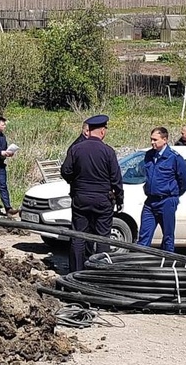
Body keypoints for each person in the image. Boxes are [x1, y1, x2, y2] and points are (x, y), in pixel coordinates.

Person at [60, 114, 124, 272]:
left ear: (89, 130)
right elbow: (116, 178)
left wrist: (75, 183)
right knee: (102, 237)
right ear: (102, 131)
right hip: (103, 200)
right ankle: (99, 273)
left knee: (78, 236)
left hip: (81, 198)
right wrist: (120, 199)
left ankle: (76, 273)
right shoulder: (108, 151)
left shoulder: (76, 148)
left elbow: (65, 171)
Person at [136, 127, 186, 253]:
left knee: (168, 237)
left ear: (164, 140)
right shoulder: (149, 155)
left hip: (167, 201)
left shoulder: (174, 158)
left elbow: (185, 181)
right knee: (143, 236)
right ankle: (139, 266)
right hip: (150, 201)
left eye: (155, 139)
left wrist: (173, 194)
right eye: (151, 139)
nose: (152, 142)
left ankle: (167, 266)